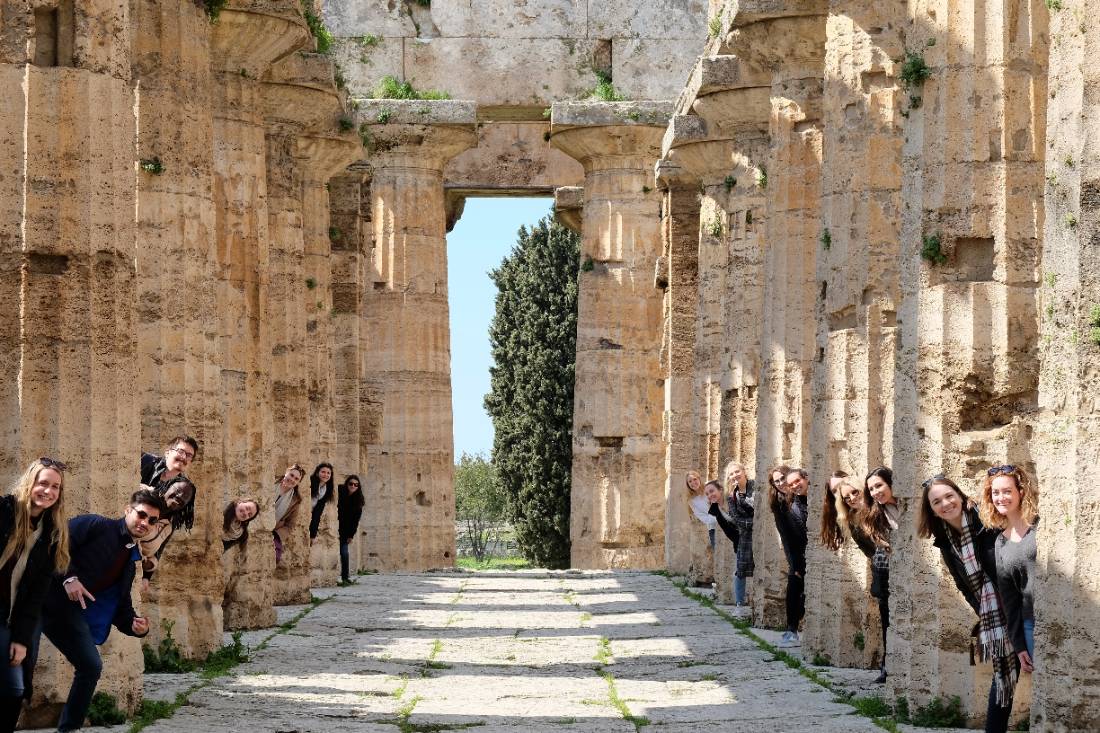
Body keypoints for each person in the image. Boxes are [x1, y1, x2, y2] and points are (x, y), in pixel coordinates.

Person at [38, 490, 165, 732]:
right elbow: (54, 541)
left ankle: (68, 729)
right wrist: (69, 578)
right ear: (128, 510)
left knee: (90, 667)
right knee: (18, 674)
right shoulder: (95, 524)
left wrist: (136, 625)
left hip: (66, 615)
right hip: (37, 601)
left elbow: (120, 605)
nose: (145, 523)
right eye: (141, 515)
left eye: (152, 520)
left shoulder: (130, 559)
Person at [918, 475, 1016, 733]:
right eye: (936, 501)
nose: (945, 503)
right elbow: (963, 584)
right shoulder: (945, 542)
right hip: (995, 617)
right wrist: (983, 611)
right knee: (1004, 674)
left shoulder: (986, 521)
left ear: (959, 495)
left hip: (1018, 607)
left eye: (949, 496)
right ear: (932, 510)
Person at [0, 458, 70, 732]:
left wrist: (21, 639)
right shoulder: (4, 509)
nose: (48, 491)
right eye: (43, 483)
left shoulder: (52, 534)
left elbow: (35, 597)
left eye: (55, 487)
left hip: (8, 616)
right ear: (30, 483)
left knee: (15, 687)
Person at [979, 465, 1038, 675]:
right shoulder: (1000, 542)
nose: (1001, 497)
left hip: (1056, 615)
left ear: (1020, 492)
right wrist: (1019, 645)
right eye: (995, 493)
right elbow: (1009, 598)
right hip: (1030, 622)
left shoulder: (1040, 528)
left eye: (1007, 491)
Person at [859, 466, 898, 683]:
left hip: (910, 574)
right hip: (886, 577)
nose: (875, 492)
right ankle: (887, 666)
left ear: (891, 483)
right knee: (888, 623)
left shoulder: (907, 506)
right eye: (871, 489)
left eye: (879, 486)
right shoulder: (874, 515)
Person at [138, 476, 196, 586]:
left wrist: (146, 576)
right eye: (178, 490)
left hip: (134, 569)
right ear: (168, 486)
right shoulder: (144, 496)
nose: (180, 496)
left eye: (185, 497)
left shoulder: (170, 523)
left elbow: (159, 551)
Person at [773, 466, 807, 647]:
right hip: (797, 553)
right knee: (794, 587)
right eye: (776, 481)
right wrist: (795, 564)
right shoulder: (779, 504)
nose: (781, 483)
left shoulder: (801, 496)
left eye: (782, 478)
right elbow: (786, 537)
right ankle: (791, 629)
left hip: (814, 550)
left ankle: (795, 628)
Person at [722, 461, 755, 606]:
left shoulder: (755, 486)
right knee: (740, 571)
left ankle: (757, 600)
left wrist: (756, 523)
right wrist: (754, 523)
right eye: (731, 474)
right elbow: (736, 519)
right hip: (745, 536)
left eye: (737, 471)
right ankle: (740, 603)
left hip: (762, 534)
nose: (734, 475)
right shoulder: (731, 496)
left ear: (743, 471)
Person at [273, 464, 305, 564]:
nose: (292, 480)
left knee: (275, 557)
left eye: (296, 479)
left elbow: (290, 525)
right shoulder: (271, 483)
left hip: (274, 531)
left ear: (298, 482)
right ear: (286, 472)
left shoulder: (296, 500)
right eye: (291, 475)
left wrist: (276, 535)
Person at [336, 475, 364, 584]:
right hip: (334, 525)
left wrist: (351, 535)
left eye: (356, 485)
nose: (353, 486)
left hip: (345, 531)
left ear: (358, 487)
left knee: (344, 553)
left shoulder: (359, 501)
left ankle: (345, 577)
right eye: (351, 483)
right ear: (347, 484)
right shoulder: (339, 491)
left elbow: (355, 521)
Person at [685, 470, 716, 549]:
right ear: (688, 485)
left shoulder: (709, 487)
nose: (693, 483)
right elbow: (703, 517)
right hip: (713, 528)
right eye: (690, 481)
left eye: (695, 479)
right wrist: (718, 518)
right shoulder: (691, 501)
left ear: (699, 479)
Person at [307, 463, 335, 542]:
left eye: (328, 473)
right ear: (317, 473)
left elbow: (317, 514)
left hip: (309, 516)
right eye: (323, 472)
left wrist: (313, 535)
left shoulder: (326, 491)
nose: (325, 475)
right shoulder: (309, 483)